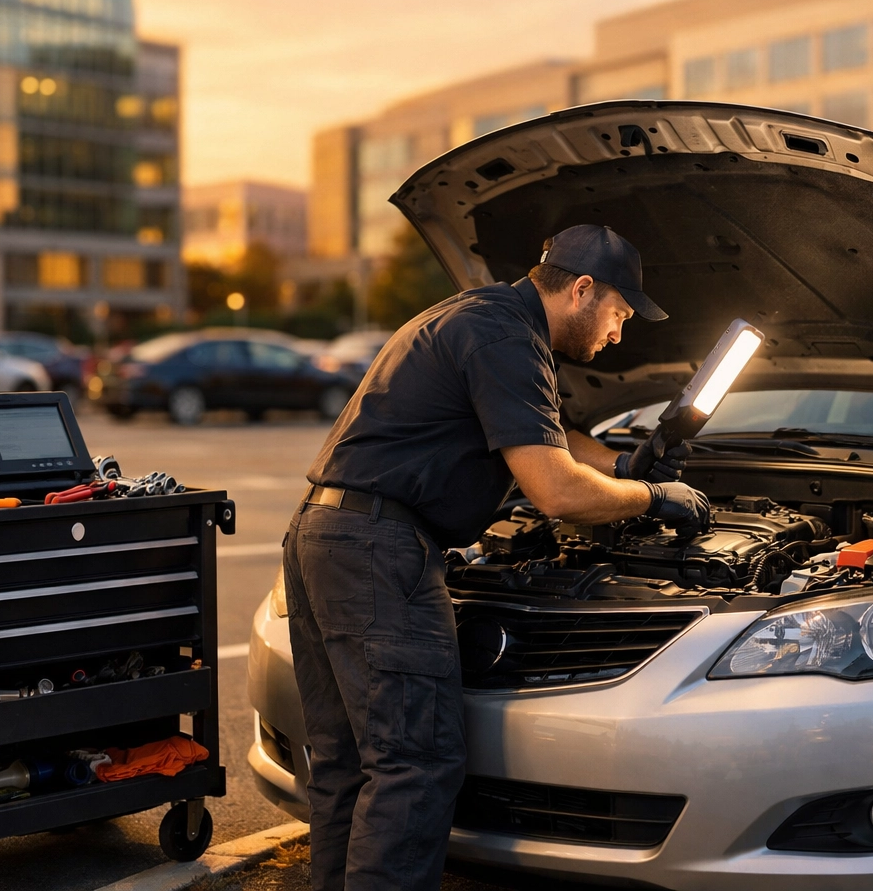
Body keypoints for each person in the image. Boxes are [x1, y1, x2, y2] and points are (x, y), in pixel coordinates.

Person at [281, 223, 710, 891]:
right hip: (377, 551)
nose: (619, 335)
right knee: (414, 766)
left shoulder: (481, 318)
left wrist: (624, 463)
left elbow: (550, 434)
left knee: (350, 767)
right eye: (620, 315)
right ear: (584, 290)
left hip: (322, 533)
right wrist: (654, 498)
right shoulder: (507, 337)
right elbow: (556, 492)